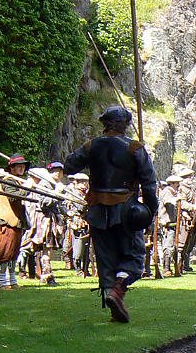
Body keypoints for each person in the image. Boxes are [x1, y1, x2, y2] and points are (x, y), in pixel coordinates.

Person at [64, 106, 158, 323]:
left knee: (106, 260)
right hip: (126, 210)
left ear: (105, 123)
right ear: (125, 124)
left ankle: (113, 301)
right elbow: (149, 184)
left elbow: (69, 165)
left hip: (97, 210)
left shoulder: (92, 146)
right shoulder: (135, 148)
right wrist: (150, 212)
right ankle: (117, 291)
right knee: (134, 258)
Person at [0, 153, 32, 289]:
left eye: (23, 167)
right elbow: (13, 197)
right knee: (5, 251)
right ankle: (1, 281)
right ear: (12, 168)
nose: (22, 169)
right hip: (6, 221)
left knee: (14, 252)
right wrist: (29, 188)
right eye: (18, 166)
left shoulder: (19, 181)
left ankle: (12, 280)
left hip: (17, 221)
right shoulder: (7, 180)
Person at [175, 167, 196, 272]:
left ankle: (185, 265)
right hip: (184, 220)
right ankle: (179, 266)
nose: (192, 178)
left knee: (190, 244)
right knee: (182, 244)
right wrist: (193, 207)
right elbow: (181, 203)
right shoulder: (182, 189)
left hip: (192, 220)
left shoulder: (191, 190)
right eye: (189, 176)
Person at [158, 175, 182, 277]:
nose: (178, 185)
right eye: (176, 183)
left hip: (171, 223)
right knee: (168, 246)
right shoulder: (167, 192)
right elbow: (168, 201)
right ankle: (166, 268)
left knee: (171, 246)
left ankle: (169, 267)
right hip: (167, 224)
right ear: (172, 183)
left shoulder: (172, 192)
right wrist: (177, 199)